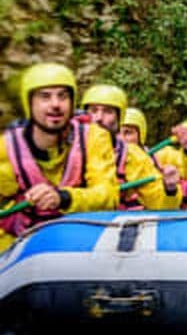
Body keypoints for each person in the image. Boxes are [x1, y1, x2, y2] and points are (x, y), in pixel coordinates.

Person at [0, 63, 118, 252]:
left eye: (62, 96)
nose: (55, 104)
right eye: (45, 96)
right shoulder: (6, 148)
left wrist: (63, 197)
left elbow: (108, 196)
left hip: (77, 241)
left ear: (72, 102)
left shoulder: (94, 138)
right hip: (22, 244)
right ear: (29, 103)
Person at [82, 84, 181, 211]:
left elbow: (161, 205)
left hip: (104, 223)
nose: (99, 118)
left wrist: (170, 189)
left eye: (108, 111)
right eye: (94, 110)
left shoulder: (131, 155)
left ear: (119, 118)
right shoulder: (65, 145)